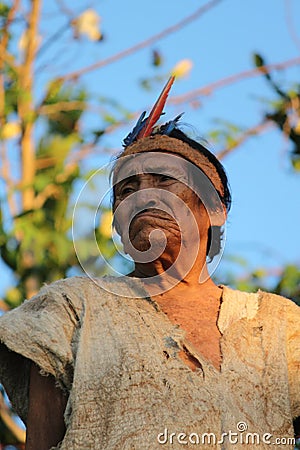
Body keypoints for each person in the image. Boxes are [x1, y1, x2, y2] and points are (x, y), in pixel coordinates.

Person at [0, 77, 299, 450]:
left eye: (165, 180)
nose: (143, 196)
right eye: (127, 190)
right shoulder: (71, 310)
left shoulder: (279, 326)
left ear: (215, 211)